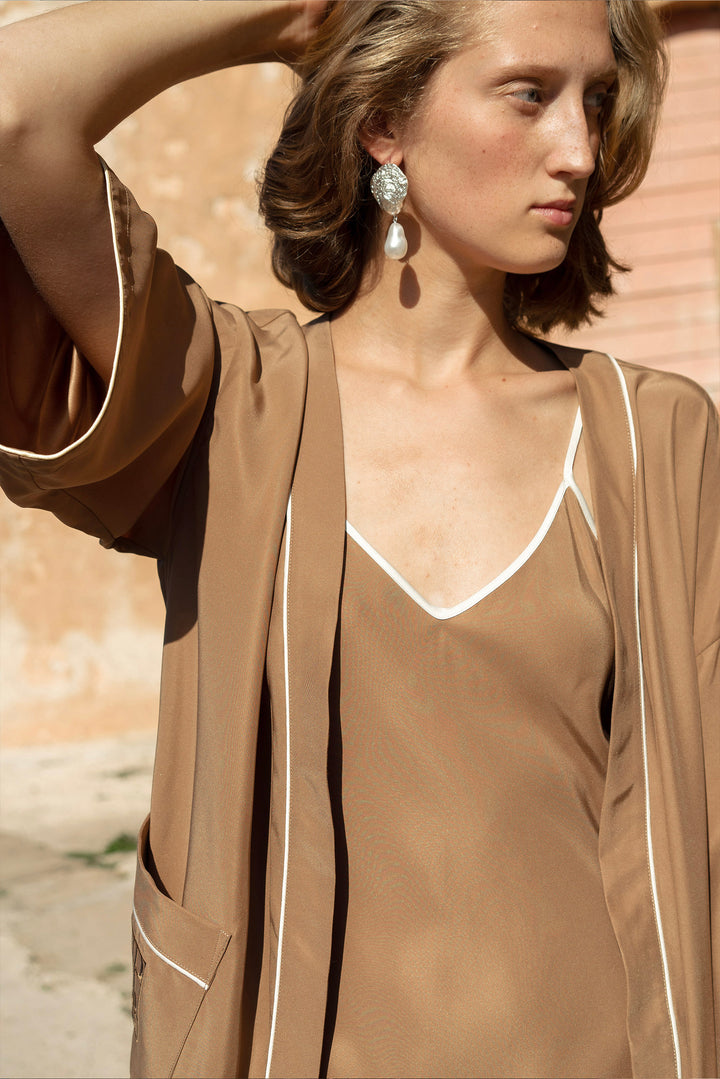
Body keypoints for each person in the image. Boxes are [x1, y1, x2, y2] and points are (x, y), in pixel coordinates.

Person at [0, 1, 717, 1076]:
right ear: (385, 123)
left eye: (598, 101)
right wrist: (288, 15)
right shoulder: (232, 405)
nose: (580, 149)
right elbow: (13, 105)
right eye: (529, 94)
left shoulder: (657, 438)